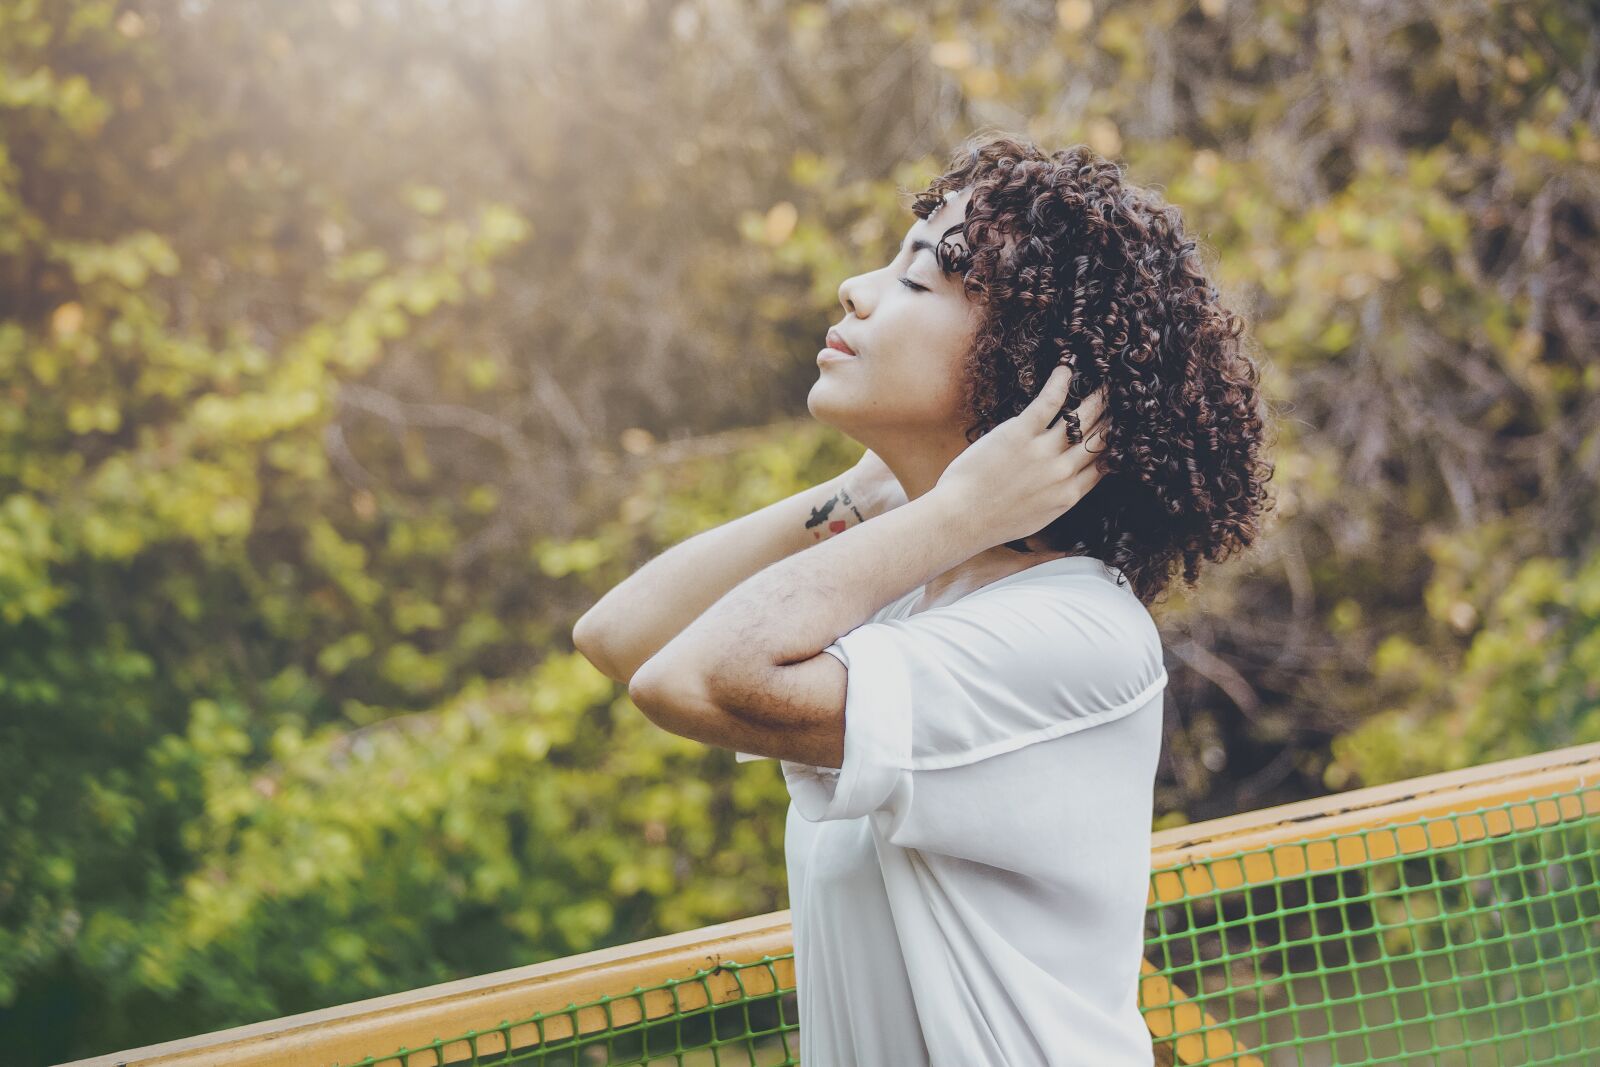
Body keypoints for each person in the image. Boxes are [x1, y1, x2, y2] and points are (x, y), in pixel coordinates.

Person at [574, 132, 1275, 1066]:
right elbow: (619, 636)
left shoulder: (1076, 633)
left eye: (916, 281)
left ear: (1027, 363)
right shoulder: (910, 596)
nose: (855, 289)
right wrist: (874, 498)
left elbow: (692, 680)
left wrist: (951, 511)